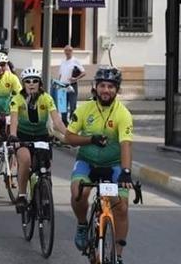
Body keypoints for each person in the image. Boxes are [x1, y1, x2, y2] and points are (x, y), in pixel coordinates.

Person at [65, 67, 134, 264]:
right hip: (87, 162)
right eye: (102, 85)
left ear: (117, 90)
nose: (106, 90)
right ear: (95, 87)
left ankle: (117, 255)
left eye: (111, 87)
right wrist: (90, 139)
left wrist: (126, 172)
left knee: (121, 207)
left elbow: (126, 144)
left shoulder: (123, 113)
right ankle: (82, 224)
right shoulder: (84, 109)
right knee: (79, 193)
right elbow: (69, 137)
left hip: (113, 165)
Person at [8, 67, 68, 212]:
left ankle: (45, 191)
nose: (31, 84)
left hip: (42, 136)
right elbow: (14, 120)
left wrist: (69, 135)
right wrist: (13, 135)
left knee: (45, 166)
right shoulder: (17, 99)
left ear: (40, 83)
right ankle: (22, 195)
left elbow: (57, 121)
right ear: (23, 84)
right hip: (23, 136)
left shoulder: (47, 98)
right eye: (27, 81)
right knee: (25, 160)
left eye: (35, 81)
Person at [55, 45, 86, 123]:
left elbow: (83, 72)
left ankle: (73, 123)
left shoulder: (75, 61)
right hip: (62, 86)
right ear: (64, 52)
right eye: (66, 50)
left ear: (72, 51)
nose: (67, 52)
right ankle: (64, 123)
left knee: (72, 106)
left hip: (71, 86)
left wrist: (76, 78)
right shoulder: (63, 61)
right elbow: (60, 74)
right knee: (63, 107)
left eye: (69, 51)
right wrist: (58, 84)